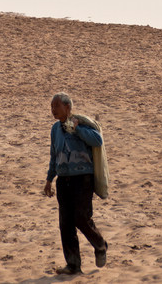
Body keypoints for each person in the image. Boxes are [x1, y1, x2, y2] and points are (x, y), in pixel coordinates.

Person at [43, 92, 108, 275]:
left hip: (82, 180)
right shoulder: (55, 129)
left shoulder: (81, 124)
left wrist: (78, 129)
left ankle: (100, 245)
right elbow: (54, 155)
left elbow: (98, 140)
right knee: (65, 224)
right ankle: (73, 265)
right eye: (51, 107)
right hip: (63, 181)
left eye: (56, 106)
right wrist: (49, 179)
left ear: (68, 108)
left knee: (81, 218)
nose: (53, 110)